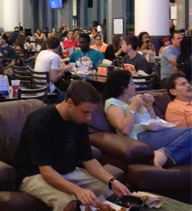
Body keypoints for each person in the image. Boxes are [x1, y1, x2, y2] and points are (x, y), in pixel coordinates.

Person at [14, 81, 130, 211]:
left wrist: (112, 181)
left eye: (91, 112)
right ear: (69, 102)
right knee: (68, 202)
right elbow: (46, 171)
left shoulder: (79, 120)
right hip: (34, 175)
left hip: (67, 171)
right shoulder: (40, 122)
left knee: (110, 191)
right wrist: (78, 190)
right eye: (85, 112)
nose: (89, 118)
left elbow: (89, 160)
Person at [105, 70, 192, 168]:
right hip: (140, 136)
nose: (136, 87)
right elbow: (125, 130)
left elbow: (153, 121)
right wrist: (133, 108)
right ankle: (164, 154)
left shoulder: (133, 100)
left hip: (156, 131)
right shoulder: (113, 103)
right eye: (132, 84)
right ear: (123, 87)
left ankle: (166, 158)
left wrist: (149, 106)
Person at [34, 36, 72, 103]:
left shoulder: (41, 53)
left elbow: (49, 69)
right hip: (48, 92)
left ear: (46, 45)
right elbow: (53, 79)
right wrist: (64, 70)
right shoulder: (55, 56)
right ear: (58, 46)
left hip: (38, 89)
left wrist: (63, 68)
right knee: (70, 96)